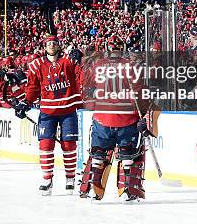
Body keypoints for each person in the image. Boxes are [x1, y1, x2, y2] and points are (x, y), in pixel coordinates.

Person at [80, 38, 149, 201]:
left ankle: (91, 187)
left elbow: (85, 86)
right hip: (126, 118)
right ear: (122, 49)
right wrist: (143, 115)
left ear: (107, 48)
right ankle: (127, 190)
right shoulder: (131, 66)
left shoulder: (97, 65)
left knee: (98, 153)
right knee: (128, 155)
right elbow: (140, 93)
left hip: (102, 117)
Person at [20, 35, 83, 195]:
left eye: (54, 43)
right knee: (46, 145)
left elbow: (80, 75)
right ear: (44, 46)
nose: (51, 45)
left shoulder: (68, 61)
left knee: (69, 145)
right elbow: (33, 87)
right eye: (49, 44)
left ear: (58, 46)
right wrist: (25, 102)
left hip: (68, 110)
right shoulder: (37, 65)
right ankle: (47, 179)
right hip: (48, 111)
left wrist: (80, 60)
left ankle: (70, 178)